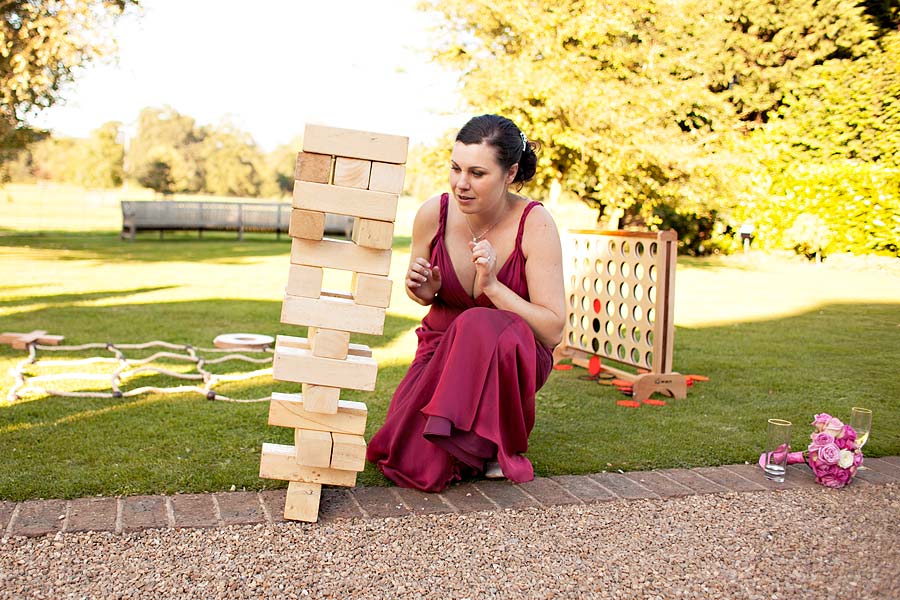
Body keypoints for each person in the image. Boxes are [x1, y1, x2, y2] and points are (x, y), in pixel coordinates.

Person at [365, 114, 566, 493]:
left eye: (477, 173)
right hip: (441, 347)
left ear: (509, 175)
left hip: (512, 356)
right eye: (455, 168)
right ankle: (475, 440)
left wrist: (492, 286)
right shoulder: (433, 214)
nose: (461, 183)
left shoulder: (535, 223)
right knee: (404, 449)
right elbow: (423, 295)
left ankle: (490, 441)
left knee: (478, 322)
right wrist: (425, 289)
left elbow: (553, 329)